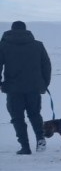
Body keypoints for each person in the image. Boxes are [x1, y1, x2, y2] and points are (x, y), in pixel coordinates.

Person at [0, 21, 52, 154]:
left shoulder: (3, 45)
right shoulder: (38, 45)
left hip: (13, 89)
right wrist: (44, 84)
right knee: (35, 115)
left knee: (17, 118)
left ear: (11, 30)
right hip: (34, 88)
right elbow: (46, 66)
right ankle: (40, 139)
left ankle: (25, 147)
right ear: (26, 30)